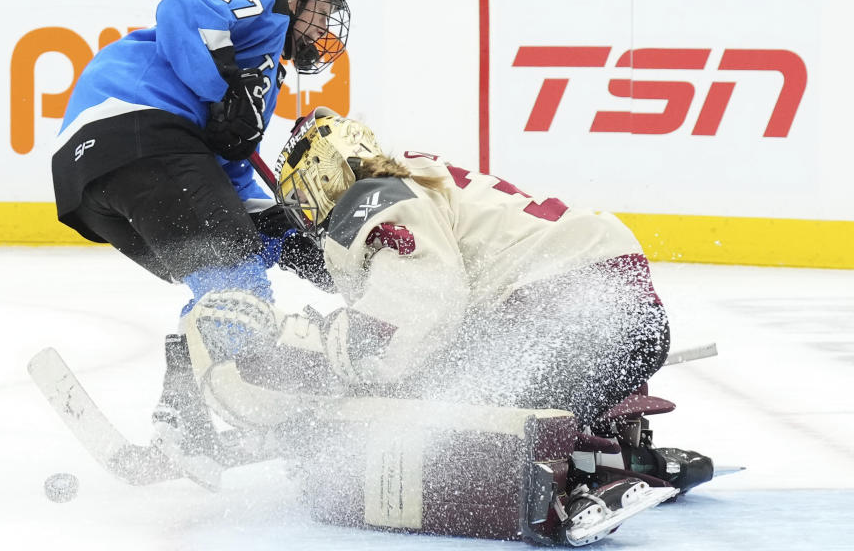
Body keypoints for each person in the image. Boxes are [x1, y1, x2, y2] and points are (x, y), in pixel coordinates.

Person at [176, 107, 712, 543]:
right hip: (620, 315)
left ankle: (579, 487)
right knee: (455, 379)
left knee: (443, 415)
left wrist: (314, 346)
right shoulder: (413, 177)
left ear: (322, 177)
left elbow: (416, 311)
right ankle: (619, 454)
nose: (304, 212)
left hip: (570, 315)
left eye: (303, 196)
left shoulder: (372, 198)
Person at [51, 0, 349, 462]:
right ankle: (189, 418)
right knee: (235, 281)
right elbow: (184, 7)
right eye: (321, 7)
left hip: (101, 175)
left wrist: (289, 236)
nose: (323, 26)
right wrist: (221, 87)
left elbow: (226, 174)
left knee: (226, 281)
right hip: (140, 133)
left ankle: (179, 417)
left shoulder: (261, 70)